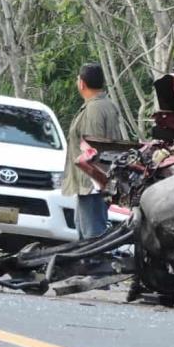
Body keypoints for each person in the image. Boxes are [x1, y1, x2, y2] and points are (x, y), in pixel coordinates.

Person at [63, 62, 120, 240]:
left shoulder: (95, 108)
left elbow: (93, 149)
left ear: (82, 83)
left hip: (92, 184)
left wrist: (96, 183)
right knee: (84, 232)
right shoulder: (105, 104)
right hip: (93, 183)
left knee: (91, 236)